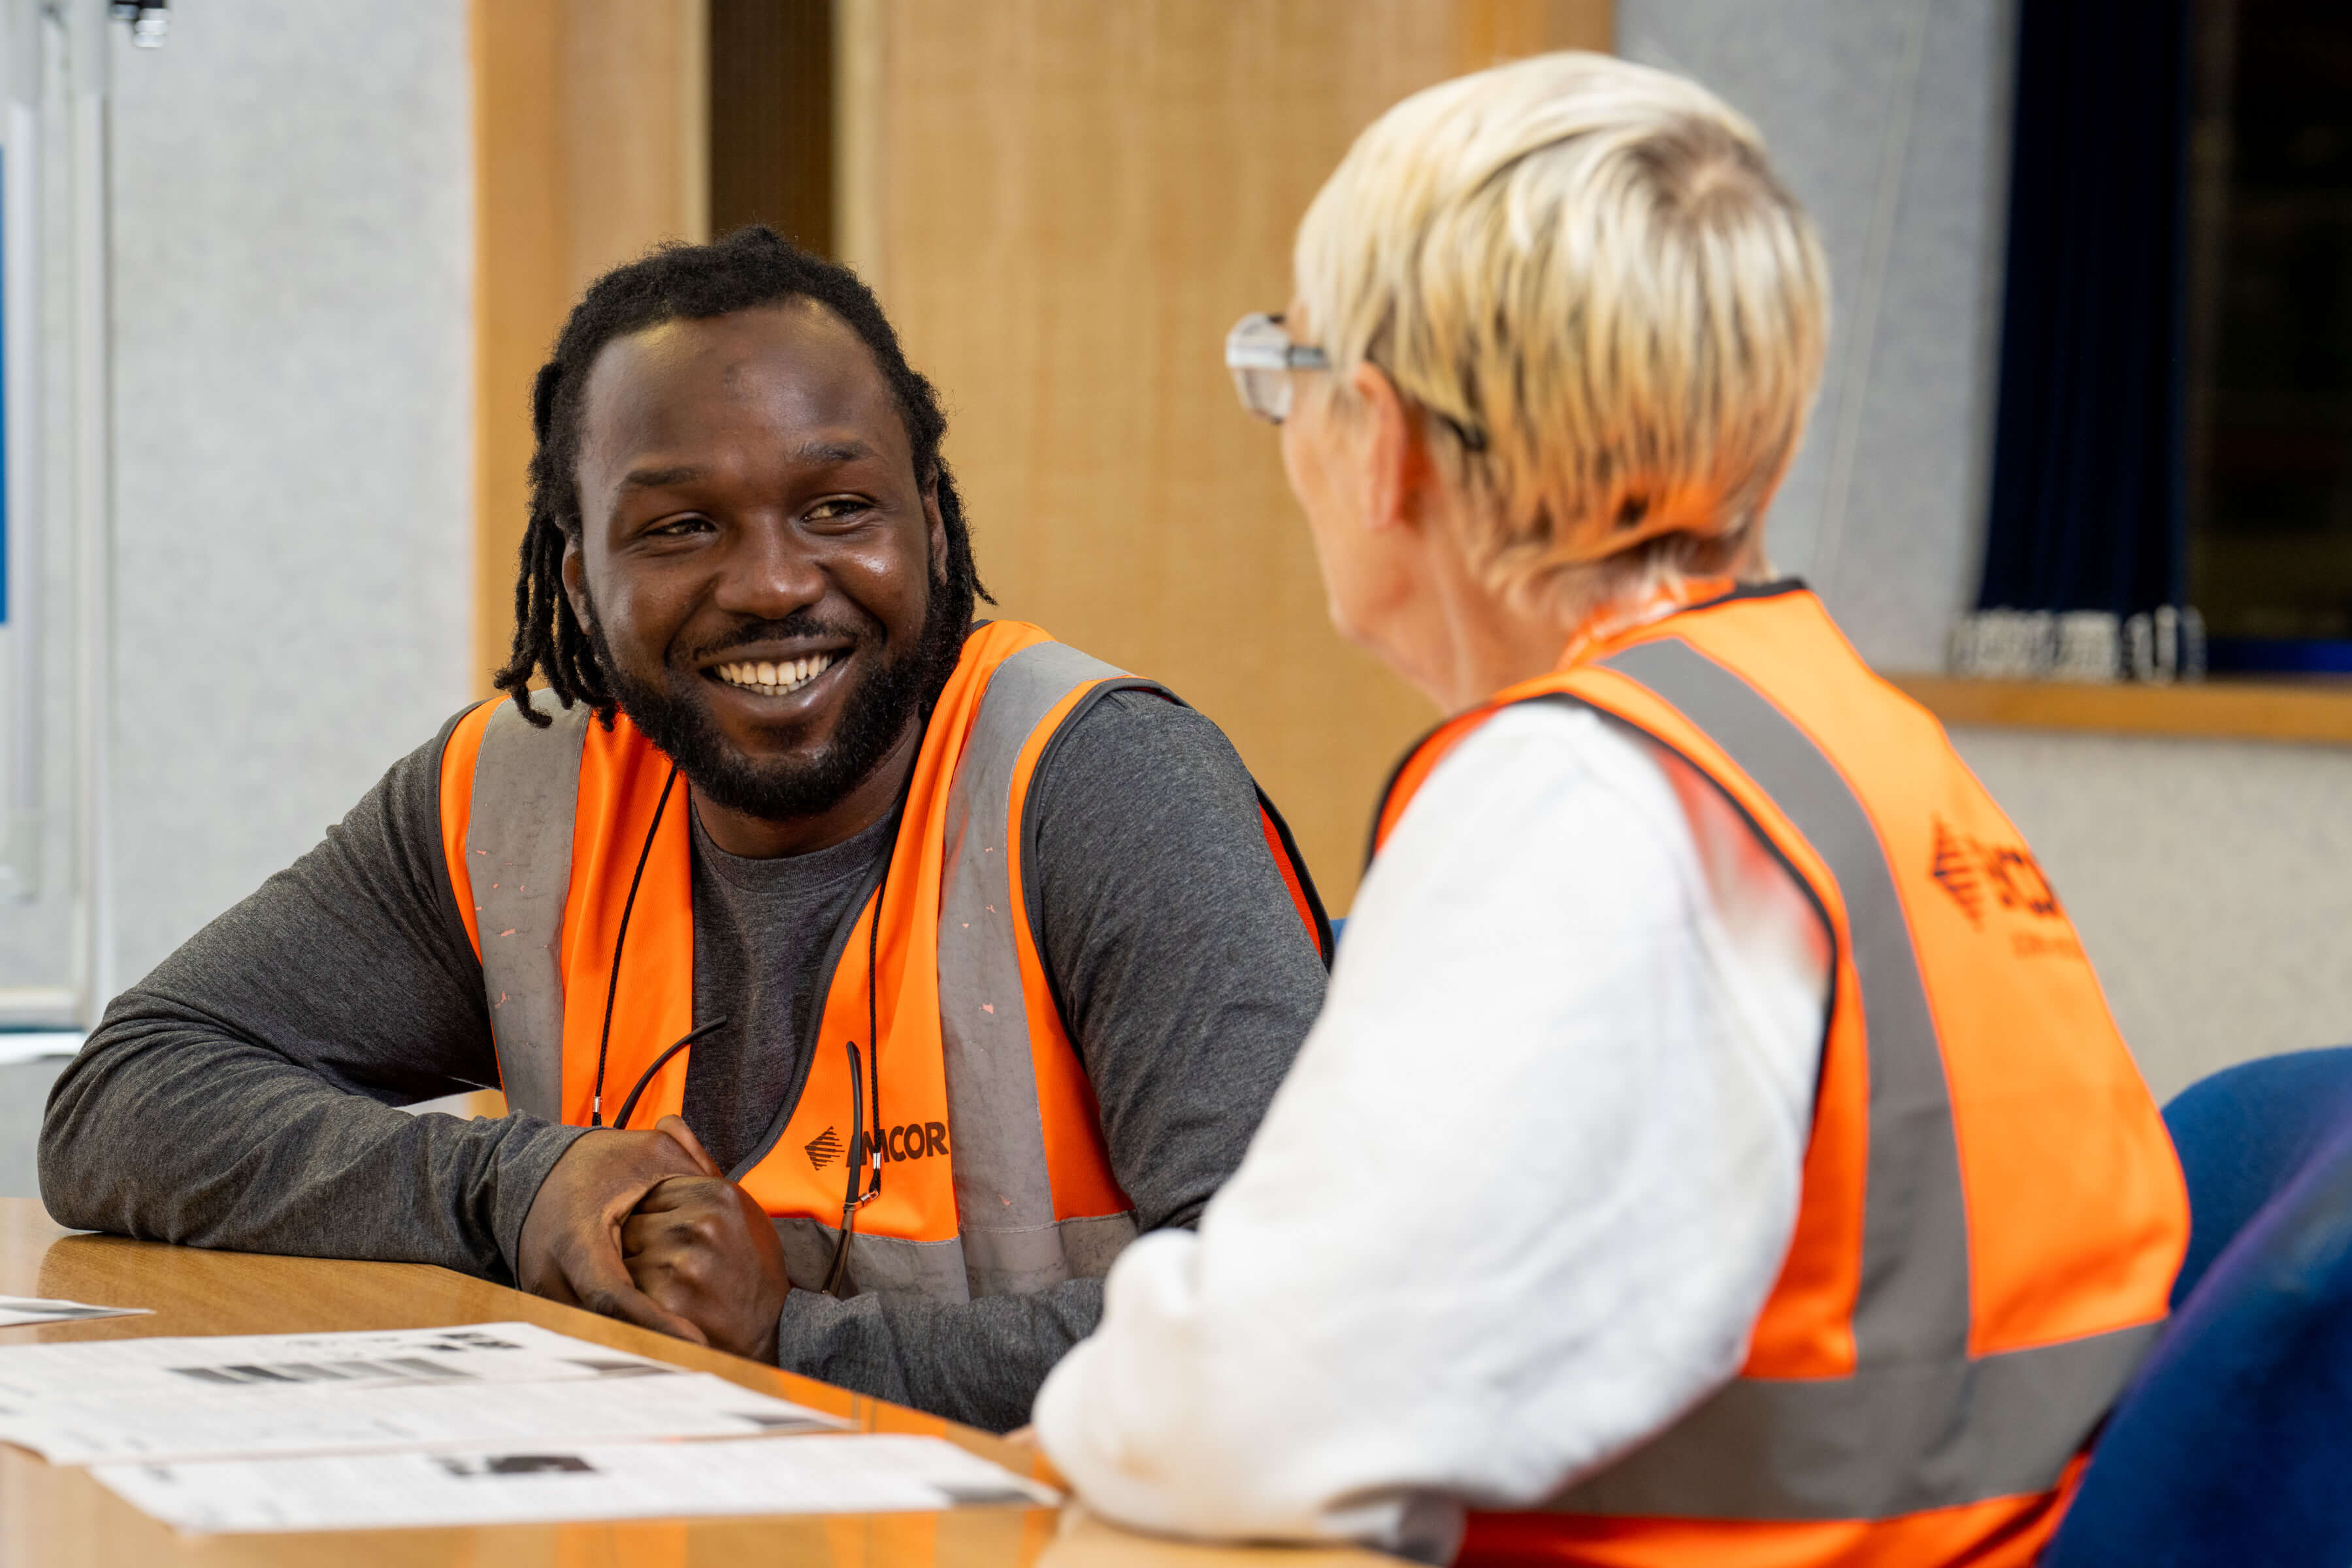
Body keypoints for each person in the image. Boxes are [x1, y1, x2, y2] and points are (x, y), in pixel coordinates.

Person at [1032, 53, 2189, 1565]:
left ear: (1379, 441)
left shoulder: (1586, 801)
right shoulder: (1823, 731)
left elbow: (1265, 1411)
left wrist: (1088, 1408)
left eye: (1288, 378)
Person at [40, 227, 1331, 1432]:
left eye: (839, 508)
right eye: (680, 528)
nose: (773, 583)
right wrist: (522, 1185)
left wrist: (791, 1347)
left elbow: (1295, 1322)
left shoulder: (1103, 785)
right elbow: (125, 1097)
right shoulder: (518, 793)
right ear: (574, 584)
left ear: (931, 527)